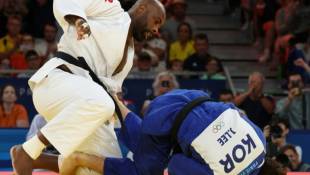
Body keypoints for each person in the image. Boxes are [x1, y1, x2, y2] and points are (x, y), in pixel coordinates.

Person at [10, 0, 166, 175]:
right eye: (156, 21)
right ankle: (29, 150)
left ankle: (38, 160)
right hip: (57, 83)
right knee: (103, 103)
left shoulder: (129, 56)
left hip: (85, 102)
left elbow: (110, 96)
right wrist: (78, 20)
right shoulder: (112, 9)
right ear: (142, 8)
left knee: (104, 166)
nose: (156, 30)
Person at [36, 89, 266, 175]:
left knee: (151, 152)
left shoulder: (262, 143)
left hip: (193, 96)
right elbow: (175, 164)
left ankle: (115, 102)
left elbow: (238, 112)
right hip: (165, 117)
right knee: (147, 170)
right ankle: (80, 157)